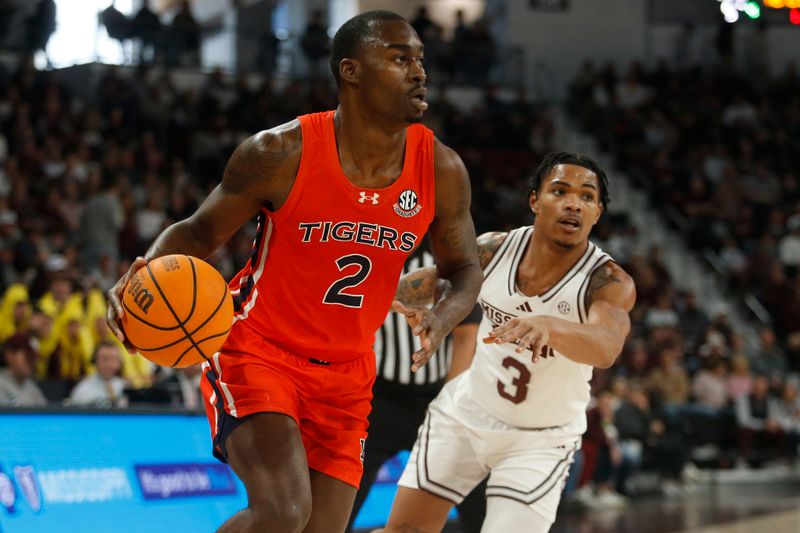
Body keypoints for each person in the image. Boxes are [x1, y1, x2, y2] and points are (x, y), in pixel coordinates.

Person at [106, 10, 482, 533]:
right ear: (351, 71)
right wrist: (138, 281)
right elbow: (195, 235)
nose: (419, 72)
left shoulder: (441, 168)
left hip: (349, 373)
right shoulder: (280, 153)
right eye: (400, 59)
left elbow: (464, 267)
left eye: (420, 59)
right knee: (283, 513)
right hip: (259, 349)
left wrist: (443, 317)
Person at [376, 152, 636, 533]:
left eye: (586, 197)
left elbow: (607, 346)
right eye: (559, 191)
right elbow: (429, 283)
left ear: (597, 212)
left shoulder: (608, 281)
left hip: (539, 440)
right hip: (466, 415)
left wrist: (553, 327)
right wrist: (384, 299)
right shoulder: (493, 250)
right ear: (534, 200)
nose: (572, 203)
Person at [346, 240, 485, 533]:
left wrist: (449, 403)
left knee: (476, 496)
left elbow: (466, 337)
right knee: (341, 496)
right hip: (378, 399)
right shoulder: (373, 252)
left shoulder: (447, 259)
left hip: (435, 398)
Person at [68, 340, 128, 408]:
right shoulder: (82, 390)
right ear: (95, 360)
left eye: (113, 359)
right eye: (105, 359)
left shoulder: (125, 387)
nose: (109, 364)